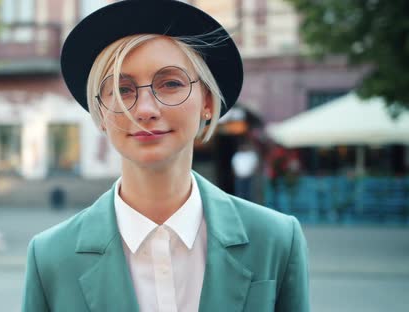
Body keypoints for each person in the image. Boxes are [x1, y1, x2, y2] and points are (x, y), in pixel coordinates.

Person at [22, 1, 310, 311]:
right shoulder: (50, 256)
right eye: (123, 88)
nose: (145, 110)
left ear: (207, 101)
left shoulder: (275, 240)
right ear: (100, 113)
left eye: (171, 83)